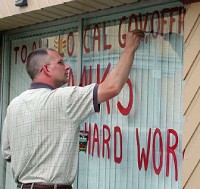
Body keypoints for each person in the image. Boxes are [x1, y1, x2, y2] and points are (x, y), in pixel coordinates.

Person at [1, 29, 144, 189]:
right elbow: (112, 87)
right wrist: (130, 48)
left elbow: (7, 152)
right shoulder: (63, 99)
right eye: (61, 63)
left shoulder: (14, 105)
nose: (67, 66)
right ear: (46, 69)